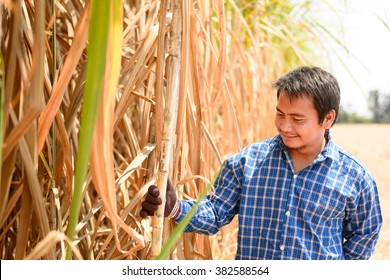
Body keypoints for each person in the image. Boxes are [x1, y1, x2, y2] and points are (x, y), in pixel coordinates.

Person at [140, 66, 383, 260]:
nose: (284, 126)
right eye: (280, 114)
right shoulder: (247, 162)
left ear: (328, 118)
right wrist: (173, 207)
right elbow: (215, 213)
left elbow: (364, 236)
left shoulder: (355, 177)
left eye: (297, 119)